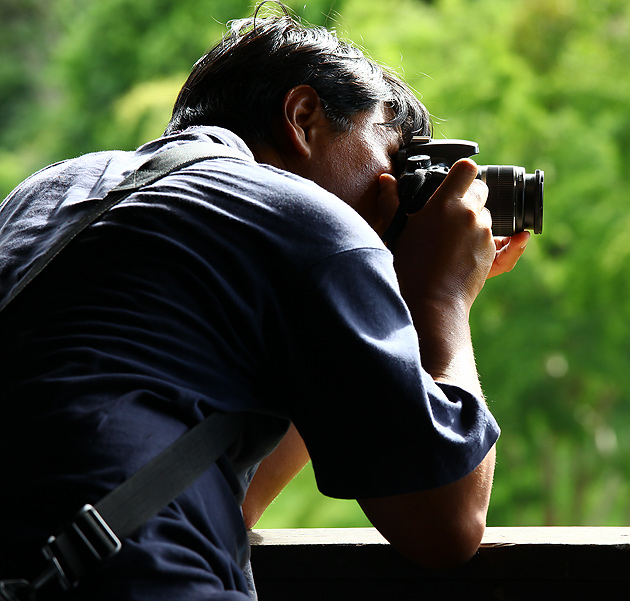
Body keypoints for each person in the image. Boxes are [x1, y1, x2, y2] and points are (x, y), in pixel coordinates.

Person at [0, 5, 529, 600]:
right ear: (302, 118)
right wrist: (442, 295)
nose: (389, 201)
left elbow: (234, 496)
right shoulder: (301, 213)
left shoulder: (49, 193)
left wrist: (376, 308)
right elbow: (446, 522)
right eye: (388, 163)